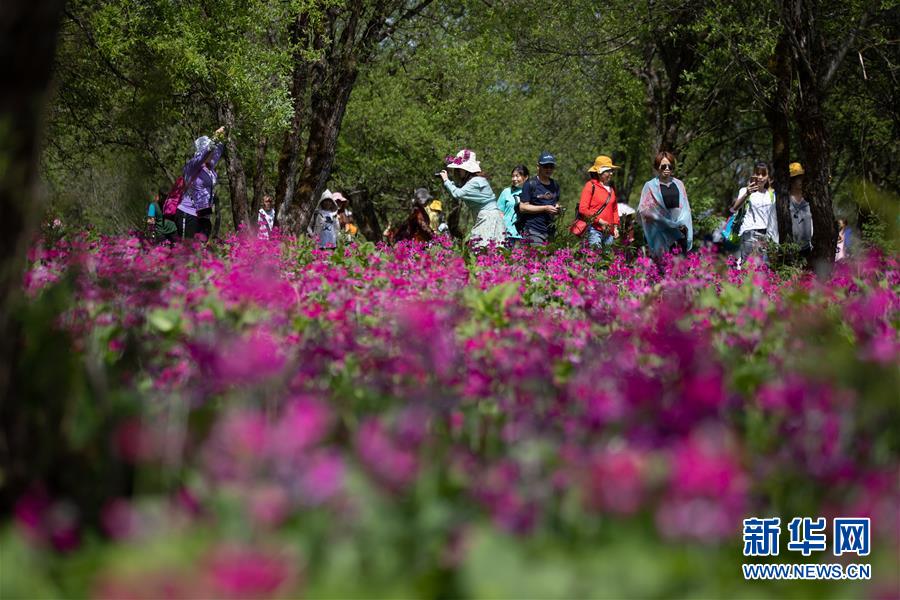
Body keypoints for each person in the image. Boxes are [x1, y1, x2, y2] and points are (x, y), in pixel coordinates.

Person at [439, 149, 505, 248]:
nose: (457, 171)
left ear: (467, 170)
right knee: (486, 249)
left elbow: (457, 193)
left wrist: (446, 180)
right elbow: (461, 190)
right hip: (488, 216)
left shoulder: (475, 182)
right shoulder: (476, 181)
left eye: (459, 169)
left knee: (482, 248)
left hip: (488, 218)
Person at [638, 151, 693, 259]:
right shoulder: (649, 186)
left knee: (680, 265)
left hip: (680, 230)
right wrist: (662, 220)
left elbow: (686, 207)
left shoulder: (679, 184)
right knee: (662, 267)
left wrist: (680, 223)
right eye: (663, 166)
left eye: (670, 166)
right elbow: (644, 210)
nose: (667, 168)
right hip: (660, 231)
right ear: (657, 167)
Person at [177, 126, 225, 240]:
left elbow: (218, 150)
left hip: (204, 215)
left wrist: (223, 136)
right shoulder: (192, 166)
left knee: (200, 254)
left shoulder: (210, 166)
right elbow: (205, 153)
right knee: (186, 252)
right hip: (188, 214)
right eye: (210, 151)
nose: (213, 154)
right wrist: (215, 137)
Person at [731, 161, 778, 264]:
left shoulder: (771, 195)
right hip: (748, 232)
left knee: (762, 267)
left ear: (768, 176)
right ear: (753, 174)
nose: (760, 177)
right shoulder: (745, 190)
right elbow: (734, 209)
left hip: (765, 235)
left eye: (763, 174)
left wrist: (775, 240)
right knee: (746, 265)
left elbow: (773, 219)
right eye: (757, 173)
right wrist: (747, 194)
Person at [518, 152, 561, 245]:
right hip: (533, 230)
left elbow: (556, 202)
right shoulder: (530, 184)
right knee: (538, 257)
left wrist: (557, 208)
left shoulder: (555, 185)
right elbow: (522, 207)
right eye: (545, 166)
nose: (549, 169)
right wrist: (545, 208)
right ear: (538, 167)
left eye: (551, 166)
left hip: (550, 232)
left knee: (550, 259)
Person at [577, 156, 620, 248]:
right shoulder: (590, 186)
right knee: (595, 259)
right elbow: (583, 209)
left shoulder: (611, 190)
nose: (611, 173)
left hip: (609, 233)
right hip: (594, 230)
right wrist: (599, 221)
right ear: (600, 172)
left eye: (612, 171)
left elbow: (615, 210)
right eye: (608, 171)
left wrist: (615, 227)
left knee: (606, 261)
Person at [496, 165, 528, 245]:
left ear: (526, 177)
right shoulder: (506, 192)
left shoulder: (530, 193)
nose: (514, 179)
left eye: (517, 176)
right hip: (507, 233)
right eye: (513, 176)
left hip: (524, 235)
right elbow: (499, 211)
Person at [788, 162, 813, 257]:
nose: (801, 181)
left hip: (807, 249)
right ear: (791, 180)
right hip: (788, 249)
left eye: (802, 178)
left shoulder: (810, 201)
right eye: (797, 178)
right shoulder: (783, 201)